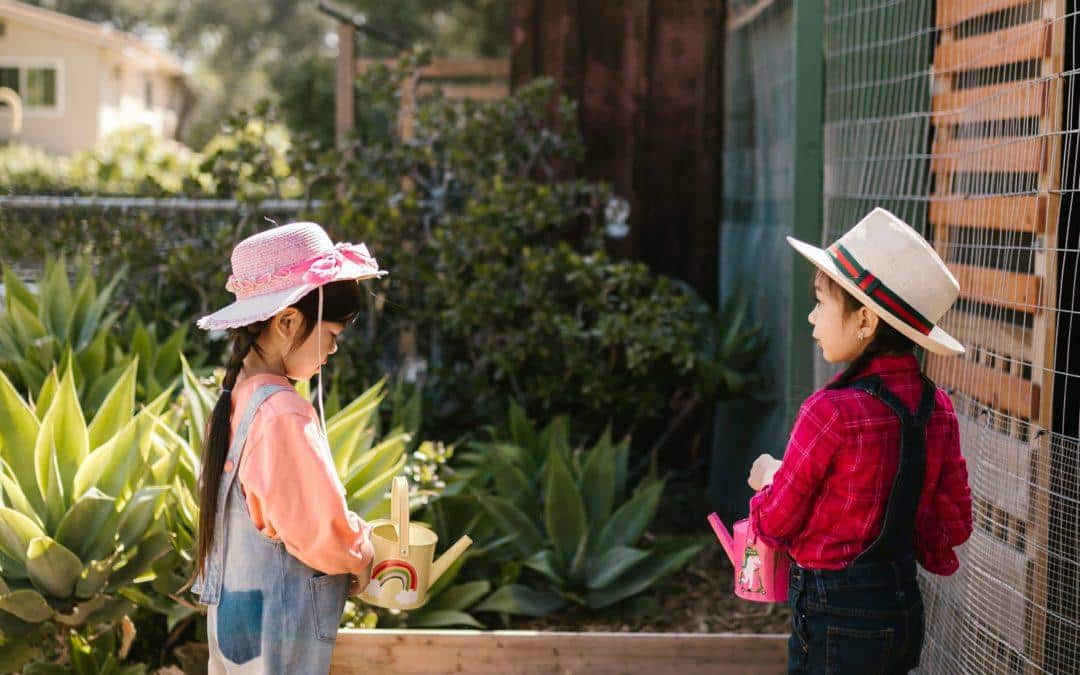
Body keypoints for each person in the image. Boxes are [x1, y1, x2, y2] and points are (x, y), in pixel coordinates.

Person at [747, 208, 973, 674]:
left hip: (835, 620)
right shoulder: (938, 411)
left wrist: (773, 476)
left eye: (821, 303)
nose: (812, 319)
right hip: (903, 611)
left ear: (865, 319)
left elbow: (773, 525)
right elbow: (952, 529)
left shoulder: (829, 413)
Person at [191, 222, 386, 674]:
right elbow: (319, 528)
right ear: (287, 321)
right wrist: (361, 553)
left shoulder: (239, 394)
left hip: (236, 617)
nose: (333, 350)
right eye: (332, 335)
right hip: (276, 626)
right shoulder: (282, 411)